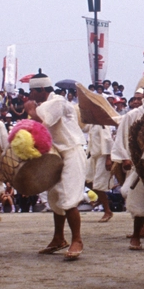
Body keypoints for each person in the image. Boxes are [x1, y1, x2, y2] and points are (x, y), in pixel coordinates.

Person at [24, 71, 89, 260]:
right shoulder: (45, 104)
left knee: (68, 198)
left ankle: (77, 239)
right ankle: (59, 238)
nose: (30, 97)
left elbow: (41, 123)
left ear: (42, 90)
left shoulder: (58, 101)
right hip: (56, 155)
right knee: (55, 196)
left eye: (33, 93)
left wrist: (30, 111)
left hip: (72, 152)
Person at [112, 78, 144, 250]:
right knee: (139, 197)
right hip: (140, 162)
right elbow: (122, 137)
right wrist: (125, 158)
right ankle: (136, 235)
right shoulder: (132, 115)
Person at [84, 119, 115, 223]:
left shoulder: (103, 123)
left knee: (98, 183)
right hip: (93, 155)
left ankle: (107, 210)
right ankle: (103, 200)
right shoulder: (92, 123)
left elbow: (108, 140)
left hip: (102, 156)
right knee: (86, 180)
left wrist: (109, 158)